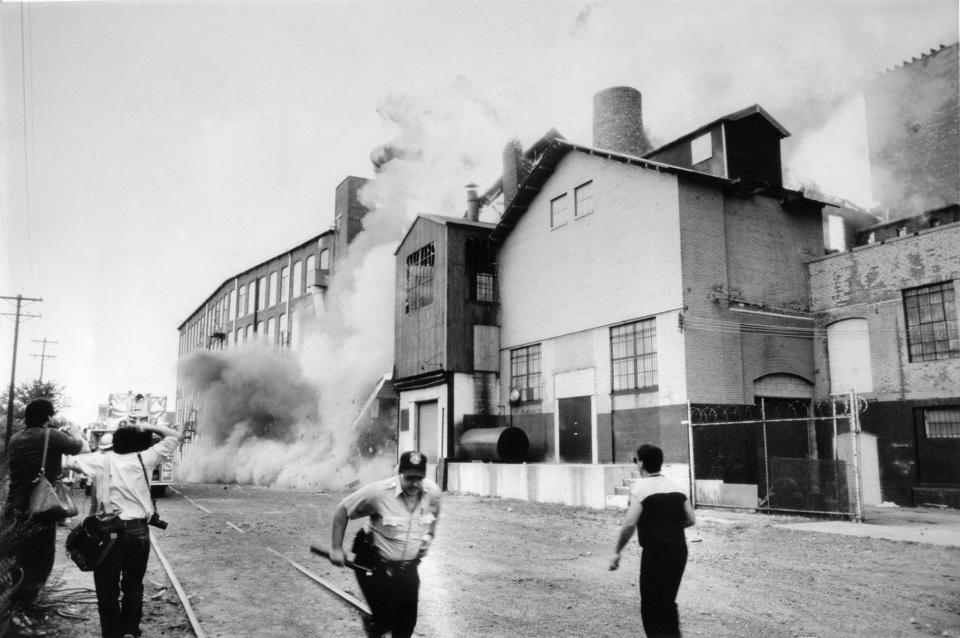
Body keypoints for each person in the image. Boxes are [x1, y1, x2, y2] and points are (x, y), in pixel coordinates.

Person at [64, 422, 180, 638]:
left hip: (108, 530)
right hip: (138, 530)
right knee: (134, 583)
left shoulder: (101, 460)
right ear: (140, 445)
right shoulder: (145, 458)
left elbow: (71, 462)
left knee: (107, 587)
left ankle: (112, 633)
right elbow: (174, 435)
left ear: (115, 442)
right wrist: (147, 426)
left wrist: (79, 437)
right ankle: (130, 629)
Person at [328, 450, 441, 638]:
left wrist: (430, 534)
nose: (414, 484)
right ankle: (376, 625)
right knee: (385, 618)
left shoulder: (432, 492)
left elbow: (434, 511)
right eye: (410, 478)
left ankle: (380, 624)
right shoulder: (379, 493)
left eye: (419, 478)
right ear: (400, 474)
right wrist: (336, 548)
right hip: (373, 562)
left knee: (407, 623)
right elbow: (343, 510)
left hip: (407, 567)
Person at [4, 398, 88, 613]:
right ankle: (24, 607)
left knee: (19, 555)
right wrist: (76, 431)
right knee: (42, 558)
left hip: (15, 506)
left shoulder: (15, 438)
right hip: (41, 506)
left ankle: (14, 602)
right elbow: (81, 448)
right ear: (49, 416)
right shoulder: (51, 435)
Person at [609, 444, 696, 638]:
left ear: (641, 462)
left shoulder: (640, 487)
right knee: (668, 601)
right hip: (678, 552)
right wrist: (668, 528)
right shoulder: (677, 487)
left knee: (651, 606)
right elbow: (690, 519)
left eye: (636, 460)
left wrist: (617, 552)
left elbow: (630, 523)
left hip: (655, 554)